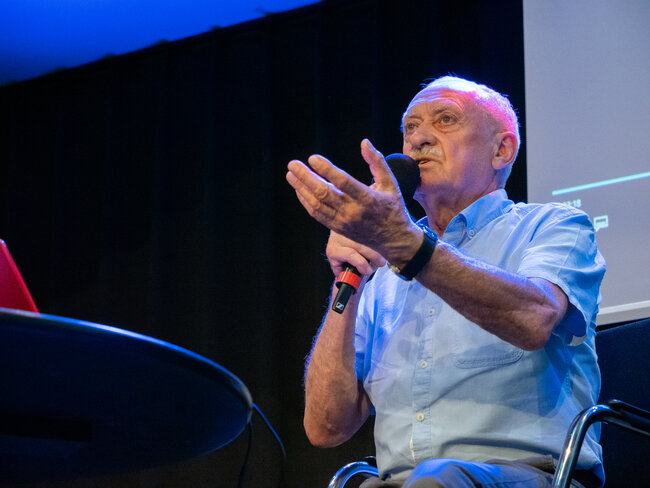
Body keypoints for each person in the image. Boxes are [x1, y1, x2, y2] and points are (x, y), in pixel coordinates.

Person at [286, 76, 606, 488]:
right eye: (410, 127)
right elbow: (325, 427)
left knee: (437, 478)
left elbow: (533, 319)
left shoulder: (553, 226)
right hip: (402, 482)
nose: (418, 139)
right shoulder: (383, 271)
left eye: (445, 119)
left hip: (530, 475)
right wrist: (349, 275)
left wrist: (407, 246)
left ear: (502, 150)